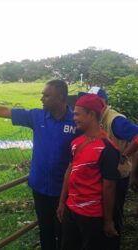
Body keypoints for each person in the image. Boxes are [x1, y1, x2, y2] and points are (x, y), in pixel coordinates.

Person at [0, 79, 80, 250]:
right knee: (45, 230)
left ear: (60, 97)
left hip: (64, 190)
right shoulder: (37, 116)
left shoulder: (76, 121)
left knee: (64, 232)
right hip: (39, 187)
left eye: (46, 95)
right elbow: (6, 111)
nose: (41, 98)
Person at [57, 94, 120, 250]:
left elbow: (109, 187)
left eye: (77, 114)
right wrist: (62, 202)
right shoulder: (76, 142)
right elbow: (69, 171)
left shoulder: (108, 148)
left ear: (91, 114)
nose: (74, 118)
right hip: (71, 211)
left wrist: (108, 221)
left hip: (92, 217)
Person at [80, 87, 138, 249]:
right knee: (104, 214)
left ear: (103, 102)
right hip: (103, 178)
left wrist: (125, 155)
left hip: (117, 178)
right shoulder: (97, 119)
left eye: (93, 101)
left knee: (112, 217)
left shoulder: (115, 121)